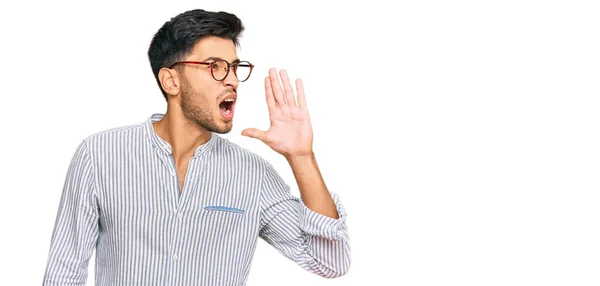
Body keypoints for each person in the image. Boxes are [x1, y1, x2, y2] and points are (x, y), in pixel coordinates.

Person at [42, 8, 351, 286]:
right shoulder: (100, 155)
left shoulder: (253, 175)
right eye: (215, 66)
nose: (232, 80)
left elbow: (330, 262)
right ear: (171, 81)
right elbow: (63, 274)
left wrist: (301, 158)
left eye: (233, 67)